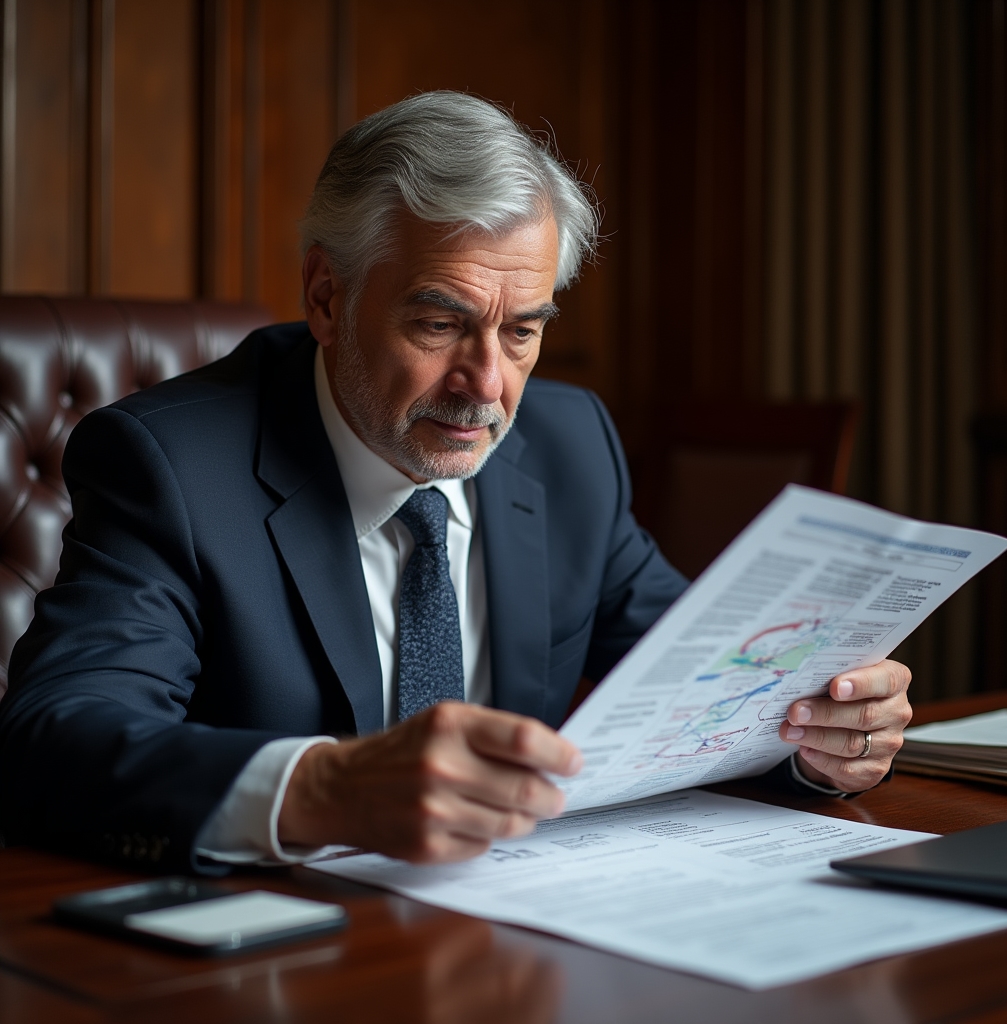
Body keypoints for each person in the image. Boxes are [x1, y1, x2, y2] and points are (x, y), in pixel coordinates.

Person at [0, 92, 912, 872]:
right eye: (439, 324)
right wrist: (323, 786)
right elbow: (53, 736)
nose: (488, 385)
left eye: (522, 331)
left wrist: (819, 737)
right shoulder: (172, 466)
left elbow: (710, 680)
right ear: (327, 298)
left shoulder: (569, 445)